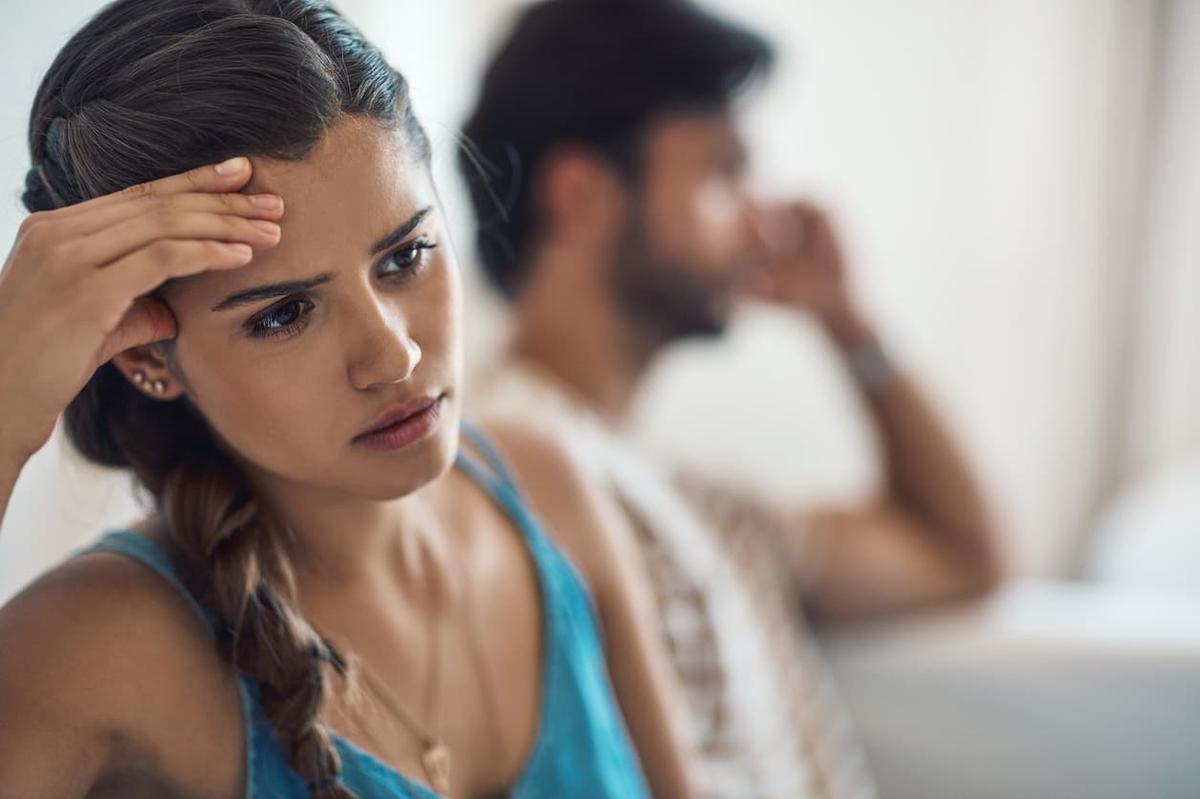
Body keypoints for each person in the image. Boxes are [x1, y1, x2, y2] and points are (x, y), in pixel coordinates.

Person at [0, 2, 698, 797]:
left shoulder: (548, 487)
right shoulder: (96, 652)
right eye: (284, 312)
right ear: (145, 359)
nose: (392, 355)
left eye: (406, 256)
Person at [460, 1, 1006, 796]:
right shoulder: (502, 464)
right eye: (725, 170)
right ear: (582, 195)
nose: (766, 220)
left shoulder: (694, 491)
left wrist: (852, 325)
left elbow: (963, 557)